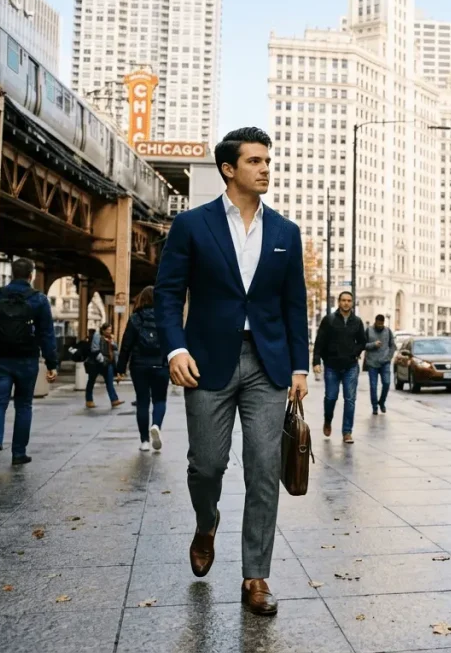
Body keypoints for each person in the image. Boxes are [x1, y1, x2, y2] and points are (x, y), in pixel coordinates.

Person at [154, 126, 309, 617]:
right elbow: (167, 293)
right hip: (205, 361)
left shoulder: (285, 231)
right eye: (256, 161)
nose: (266, 168)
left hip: (268, 364)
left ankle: (255, 576)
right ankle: (206, 521)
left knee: (264, 469)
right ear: (229, 168)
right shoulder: (192, 225)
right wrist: (175, 349)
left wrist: (301, 366)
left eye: (268, 160)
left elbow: (294, 304)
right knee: (207, 465)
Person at [0, 257, 58, 472]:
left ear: (11, 274)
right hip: (27, 360)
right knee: (24, 405)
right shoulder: (38, 300)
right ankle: (19, 453)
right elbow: (47, 334)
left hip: (0, 360)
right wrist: (51, 363)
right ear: (31, 275)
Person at [116, 286, 169, 452]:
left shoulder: (135, 318)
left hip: (139, 366)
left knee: (143, 402)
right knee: (160, 400)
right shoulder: (165, 318)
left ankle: (144, 441)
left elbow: (126, 345)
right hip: (160, 365)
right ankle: (156, 425)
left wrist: (120, 368)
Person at [312, 291, 366, 443]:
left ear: (352, 302)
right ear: (339, 302)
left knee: (350, 399)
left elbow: (362, 341)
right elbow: (319, 342)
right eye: (343, 300)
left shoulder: (357, 322)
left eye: (349, 300)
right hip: (331, 366)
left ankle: (347, 432)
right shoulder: (329, 320)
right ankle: (328, 420)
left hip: (350, 366)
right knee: (331, 397)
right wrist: (316, 361)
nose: (346, 303)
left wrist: (354, 352)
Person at [86, 323, 123, 409]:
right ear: (103, 330)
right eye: (108, 330)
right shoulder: (97, 336)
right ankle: (89, 400)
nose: (109, 331)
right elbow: (95, 349)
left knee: (110, 382)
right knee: (91, 381)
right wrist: (102, 360)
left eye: (110, 330)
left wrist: (112, 342)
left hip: (108, 363)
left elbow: (115, 349)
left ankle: (114, 400)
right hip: (96, 363)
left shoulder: (110, 338)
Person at [364, 314, 395, 415]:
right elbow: (363, 345)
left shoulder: (388, 331)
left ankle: (382, 402)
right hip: (372, 362)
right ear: (375, 322)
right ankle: (374, 407)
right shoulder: (369, 331)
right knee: (373, 386)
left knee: (386, 383)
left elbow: (393, 346)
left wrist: (389, 357)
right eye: (378, 324)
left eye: (382, 324)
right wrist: (373, 344)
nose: (380, 326)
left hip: (385, 362)